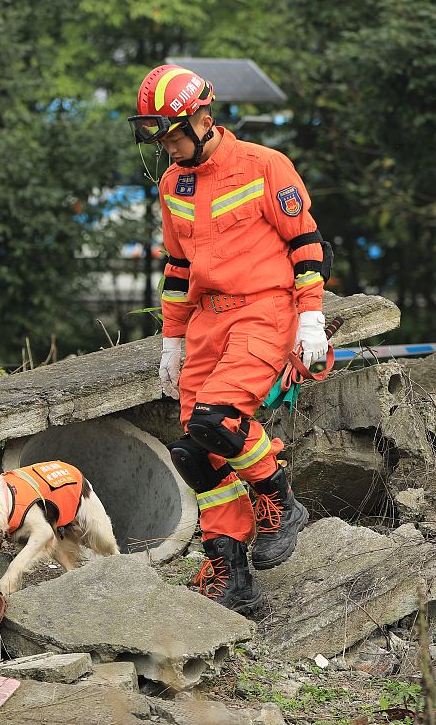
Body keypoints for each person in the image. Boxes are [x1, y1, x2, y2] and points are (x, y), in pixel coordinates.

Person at [128, 64, 330, 615]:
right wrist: (170, 341)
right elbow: (176, 267)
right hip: (206, 323)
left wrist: (309, 318)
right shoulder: (174, 183)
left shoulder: (266, 167)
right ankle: (230, 570)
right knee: (195, 451)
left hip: (265, 312)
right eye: (158, 135)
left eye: (173, 132)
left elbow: (308, 246)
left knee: (219, 420)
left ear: (203, 118)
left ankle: (277, 496)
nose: (167, 145)